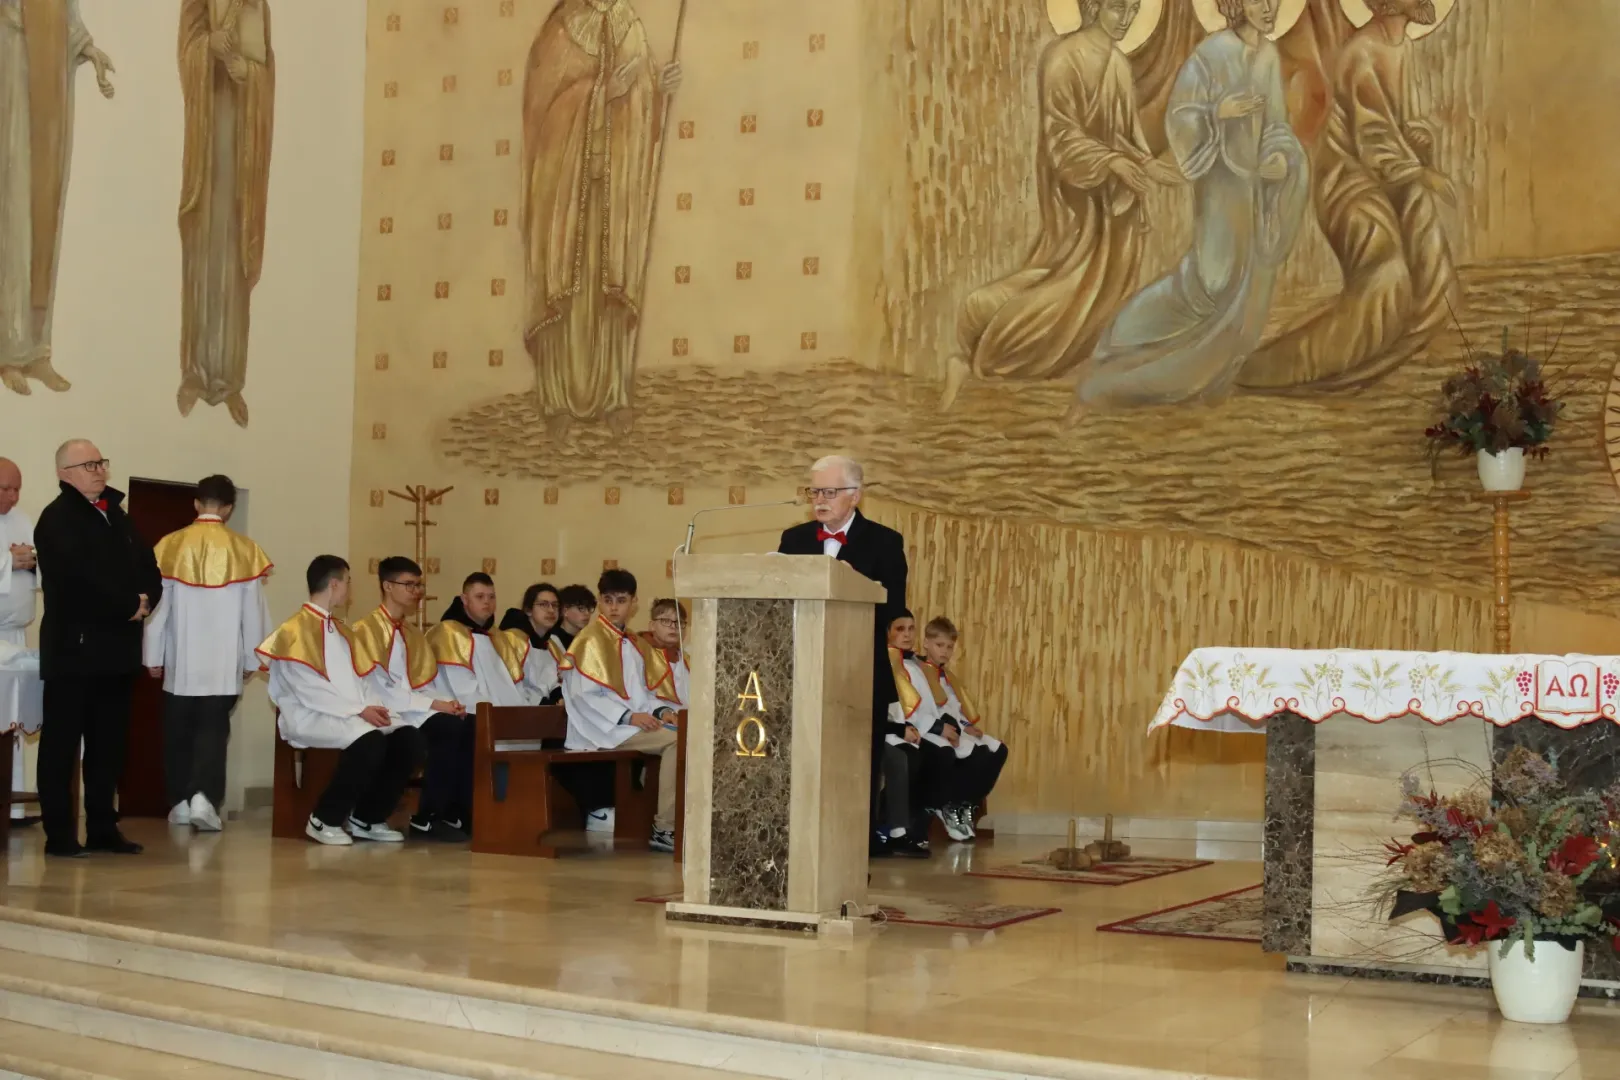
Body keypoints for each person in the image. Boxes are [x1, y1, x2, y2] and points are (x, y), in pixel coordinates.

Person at [33, 440, 162, 857]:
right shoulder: (57, 519)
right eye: (89, 465)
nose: (99, 470)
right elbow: (75, 581)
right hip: (74, 652)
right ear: (64, 474)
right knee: (61, 746)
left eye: (101, 462)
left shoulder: (117, 515)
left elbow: (148, 566)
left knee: (109, 747)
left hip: (117, 651)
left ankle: (104, 828)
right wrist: (128, 605)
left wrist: (146, 600)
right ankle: (59, 835)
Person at [776, 455, 907, 853]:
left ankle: (854, 847)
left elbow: (893, 606)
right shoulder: (793, 540)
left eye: (829, 491)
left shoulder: (886, 541)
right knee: (803, 760)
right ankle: (799, 843)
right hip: (803, 671)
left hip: (859, 670)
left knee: (858, 764)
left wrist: (850, 588)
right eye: (814, 490)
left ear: (855, 495)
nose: (819, 499)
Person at [258, 556, 425, 845]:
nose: (350, 588)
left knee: (409, 738)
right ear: (334, 584)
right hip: (311, 714)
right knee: (370, 742)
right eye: (348, 581)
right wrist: (358, 710)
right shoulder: (294, 631)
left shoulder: (343, 631)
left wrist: (375, 708)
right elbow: (308, 689)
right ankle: (324, 819)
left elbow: (362, 679)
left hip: (350, 714)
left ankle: (367, 818)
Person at [143, 474, 272, 832]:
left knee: (177, 730)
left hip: (181, 661)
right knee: (213, 731)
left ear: (197, 503)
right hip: (223, 661)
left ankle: (181, 802)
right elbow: (253, 613)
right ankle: (204, 797)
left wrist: (153, 655)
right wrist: (253, 659)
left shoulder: (170, 545)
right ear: (229, 508)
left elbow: (158, 608)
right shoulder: (245, 550)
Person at [422, 572, 556, 840]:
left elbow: (512, 684)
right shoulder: (448, 632)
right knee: (473, 733)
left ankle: (513, 813)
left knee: (528, 734)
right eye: (480, 597)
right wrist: (495, 716)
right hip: (465, 711)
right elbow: (461, 689)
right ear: (464, 599)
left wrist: (521, 714)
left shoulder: (497, 637)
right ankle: (456, 813)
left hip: (495, 711)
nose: (487, 602)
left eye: (492, 597)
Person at [559, 568, 679, 852]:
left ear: (633, 603)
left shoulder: (634, 643)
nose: (614, 607)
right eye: (608, 600)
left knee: (685, 735)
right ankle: (664, 828)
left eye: (621, 600)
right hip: (600, 728)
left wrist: (662, 711)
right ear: (600, 600)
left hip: (629, 726)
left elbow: (643, 694)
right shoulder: (590, 640)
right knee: (676, 742)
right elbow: (584, 696)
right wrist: (628, 716)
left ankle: (667, 817)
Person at [348, 557, 465, 814]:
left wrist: (447, 702)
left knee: (459, 726)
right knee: (419, 739)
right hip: (382, 708)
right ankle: (377, 813)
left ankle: (441, 812)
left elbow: (420, 681)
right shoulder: (365, 630)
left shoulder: (412, 633)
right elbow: (378, 689)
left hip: (411, 707)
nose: (416, 591)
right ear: (387, 586)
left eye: (418, 585)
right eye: (409, 585)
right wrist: (435, 704)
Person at [919, 616, 1008, 839]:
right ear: (926, 643)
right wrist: (943, 728)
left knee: (998, 749)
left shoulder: (947, 676)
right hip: (933, 729)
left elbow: (954, 707)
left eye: (949, 647)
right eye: (940, 645)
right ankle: (950, 805)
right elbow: (922, 707)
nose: (945, 651)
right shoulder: (918, 672)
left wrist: (967, 725)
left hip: (955, 726)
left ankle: (967, 802)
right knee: (976, 753)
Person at [0, 457, 39, 824]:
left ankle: (10, 806)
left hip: (14, 634)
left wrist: (33, 560)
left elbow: (38, 565)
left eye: (17, 489)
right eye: (5, 489)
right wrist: (7, 561)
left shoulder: (23, 519)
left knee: (12, 724)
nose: (13, 496)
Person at [499, 581, 567, 702]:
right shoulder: (512, 640)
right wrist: (540, 702)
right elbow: (509, 684)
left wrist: (558, 696)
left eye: (555, 605)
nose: (551, 610)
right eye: (543, 604)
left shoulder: (552, 645)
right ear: (528, 610)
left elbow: (553, 682)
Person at [639, 598, 688, 708]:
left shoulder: (688, 660)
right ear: (652, 626)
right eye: (666, 621)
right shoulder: (640, 654)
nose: (673, 627)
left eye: (679, 622)